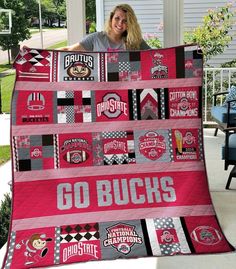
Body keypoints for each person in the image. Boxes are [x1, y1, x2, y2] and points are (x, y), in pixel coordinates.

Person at [60, 4, 150, 52]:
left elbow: (154, 55)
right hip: (99, 86)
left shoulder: (135, 41)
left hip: (126, 86)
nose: (120, 23)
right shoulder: (96, 38)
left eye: (125, 21)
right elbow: (69, 50)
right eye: (117, 18)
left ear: (130, 24)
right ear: (111, 19)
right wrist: (47, 55)